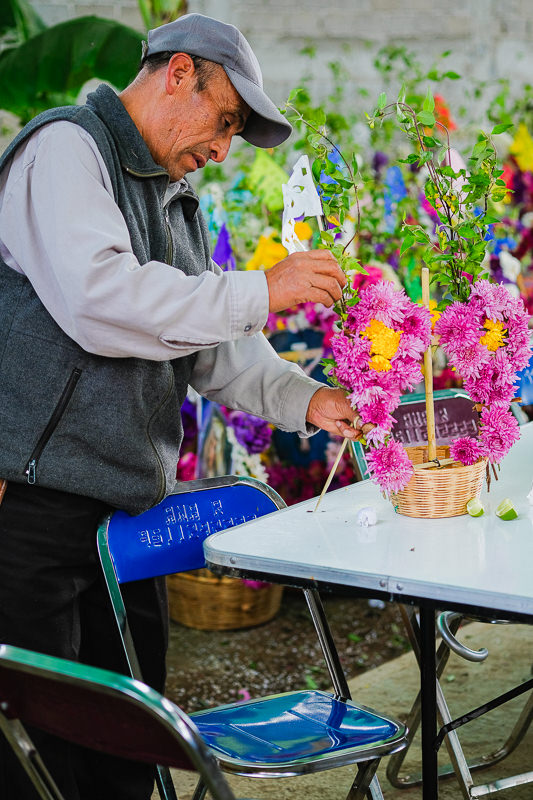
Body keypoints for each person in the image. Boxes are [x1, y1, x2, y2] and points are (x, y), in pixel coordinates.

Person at [0, 13, 363, 799]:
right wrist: (260, 288)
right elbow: (102, 302)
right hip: (31, 507)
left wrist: (310, 399)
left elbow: (210, 350)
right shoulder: (66, 148)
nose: (223, 147)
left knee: (129, 744)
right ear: (178, 74)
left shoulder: (172, 197)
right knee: (36, 754)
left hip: (127, 514)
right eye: (224, 120)